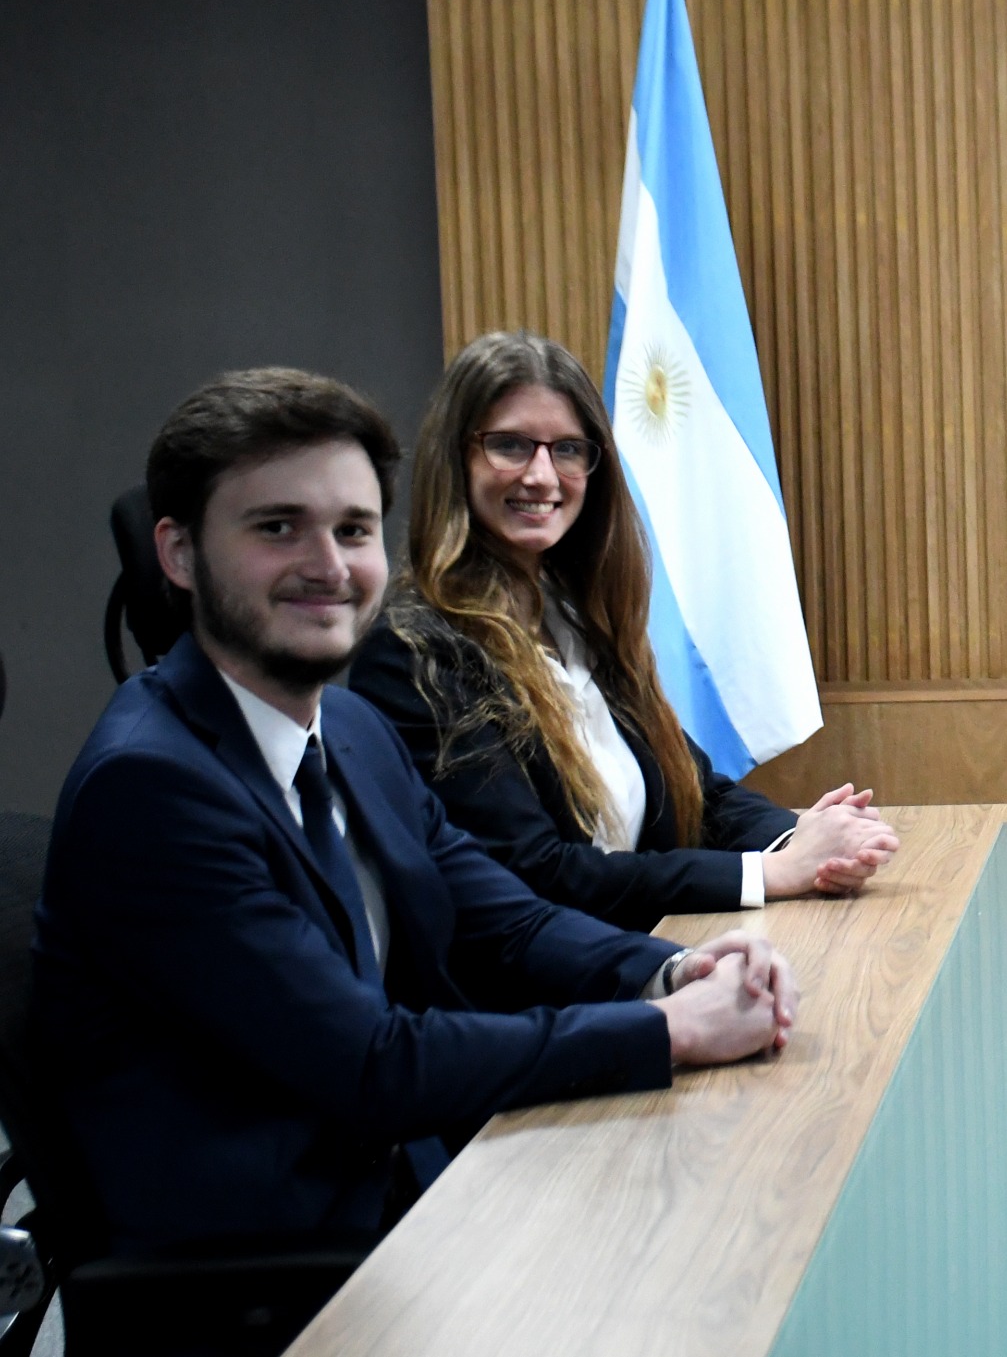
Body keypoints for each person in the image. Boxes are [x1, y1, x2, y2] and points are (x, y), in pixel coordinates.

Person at [38, 368, 800, 1257]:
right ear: (177, 553)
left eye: (353, 530)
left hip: (414, 1189)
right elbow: (371, 1064)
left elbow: (507, 920)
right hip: (277, 1274)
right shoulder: (153, 789)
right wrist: (662, 1031)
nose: (329, 566)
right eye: (277, 527)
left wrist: (675, 971)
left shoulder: (348, 726)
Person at [350, 333, 895, 931]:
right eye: (509, 445)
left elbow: (697, 791)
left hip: (643, 958)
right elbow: (540, 874)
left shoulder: (578, 617)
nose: (541, 475)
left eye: (567, 450)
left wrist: (805, 840)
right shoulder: (413, 652)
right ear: (454, 459)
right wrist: (769, 874)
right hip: (541, 1006)